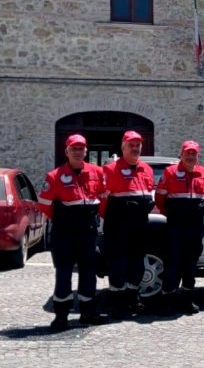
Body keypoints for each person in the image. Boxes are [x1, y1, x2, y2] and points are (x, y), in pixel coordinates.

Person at [38, 134, 109, 330]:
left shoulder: (97, 172)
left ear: (86, 151)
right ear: (66, 151)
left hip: (87, 232)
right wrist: (64, 220)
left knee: (88, 272)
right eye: (74, 149)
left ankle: (88, 312)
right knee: (64, 273)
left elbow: (103, 198)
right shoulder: (55, 176)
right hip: (64, 233)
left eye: (81, 148)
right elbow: (44, 205)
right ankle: (61, 316)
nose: (78, 152)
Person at [155, 140, 204, 315]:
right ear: (181, 154)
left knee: (190, 264)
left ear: (198, 155)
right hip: (176, 226)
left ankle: (187, 300)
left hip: (195, 227)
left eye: (193, 153)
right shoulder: (170, 172)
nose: (190, 156)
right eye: (187, 153)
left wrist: (198, 210)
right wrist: (173, 214)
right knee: (173, 262)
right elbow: (160, 198)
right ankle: (167, 300)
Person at [101, 130, 154, 318]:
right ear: (123, 147)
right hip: (118, 226)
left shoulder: (146, 169)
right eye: (131, 145)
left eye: (138, 145)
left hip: (139, 226)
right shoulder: (110, 170)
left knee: (137, 263)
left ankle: (133, 298)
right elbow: (102, 201)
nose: (135, 148)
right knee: (118, 264)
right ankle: (116, 302)